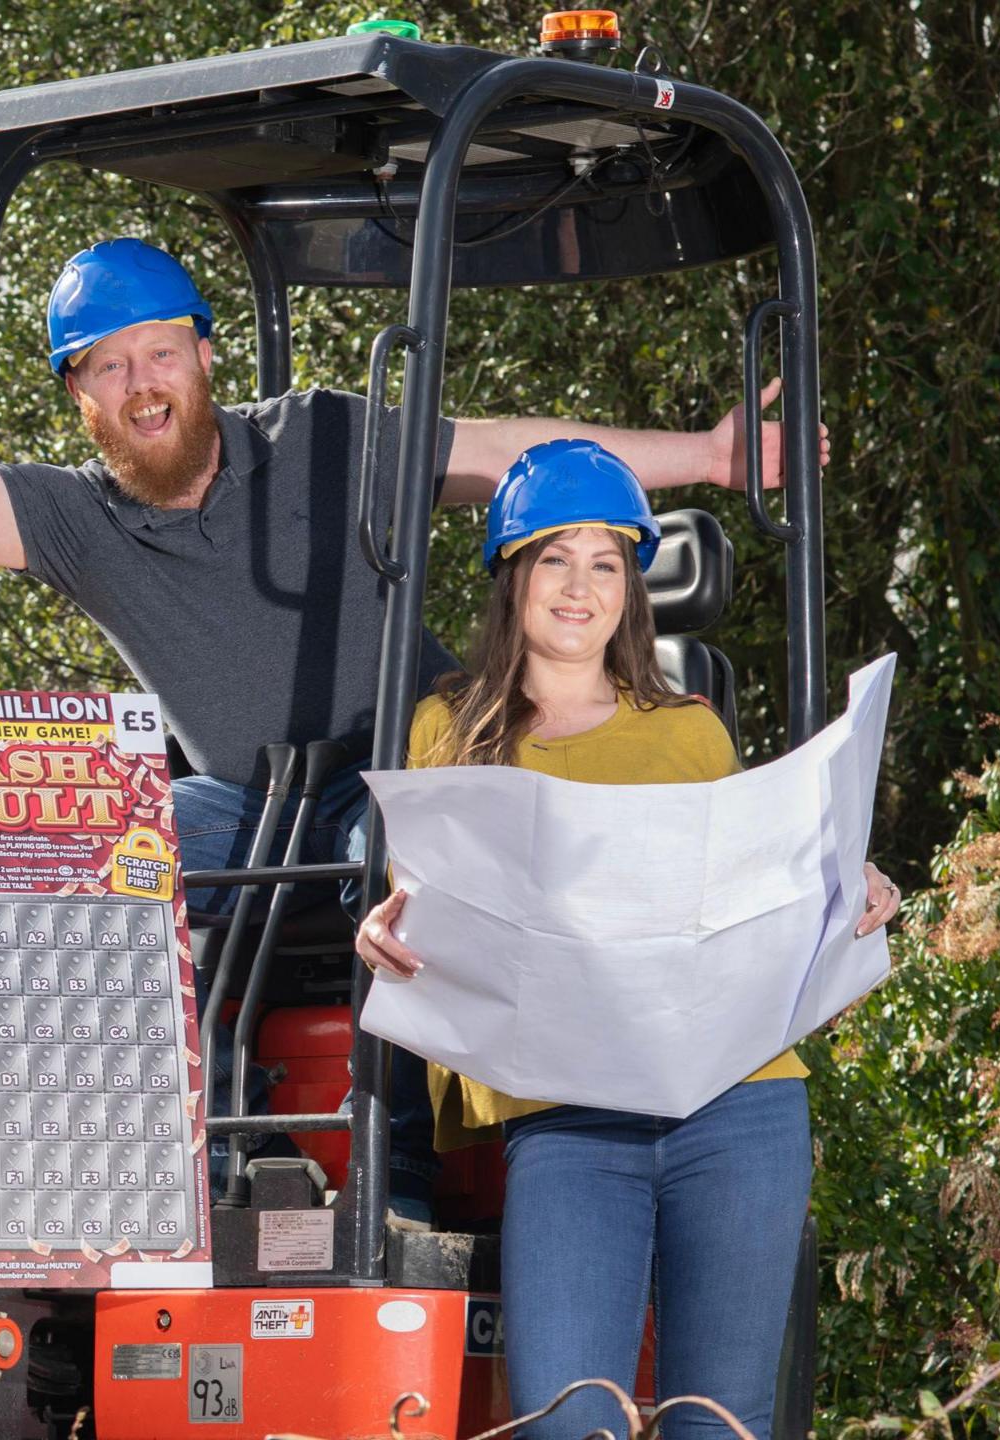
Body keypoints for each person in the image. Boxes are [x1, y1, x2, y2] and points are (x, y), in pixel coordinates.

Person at [0, 185, 825, 1218]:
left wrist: (716, 458)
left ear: (202, 354)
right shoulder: (82, 522)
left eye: (158, 351)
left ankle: (396, 1184)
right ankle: (175, 1183)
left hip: (399, 772)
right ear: (78, 396)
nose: (141, 383)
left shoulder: (321, 437)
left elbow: (506, 453)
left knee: (401, 847)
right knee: (93, 844)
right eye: (105, 365)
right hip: (244, 803)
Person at [352, 440, 904, 1439]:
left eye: (605, 562)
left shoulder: (688, 734)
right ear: (509, 576)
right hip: (567, 1115)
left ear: (631, 587)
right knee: (565, 1422)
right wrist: (383, 931)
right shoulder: (446, 726)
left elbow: (750, 899)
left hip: (737, 1108)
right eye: (553, 558)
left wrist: (847, 890)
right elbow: (421, 899)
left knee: (716, 1423)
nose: (579, 587)